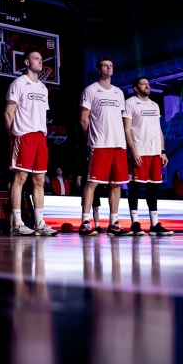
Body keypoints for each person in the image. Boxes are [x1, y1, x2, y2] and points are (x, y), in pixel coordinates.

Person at [4, 50, 58, 236]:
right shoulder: (18, 83)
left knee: (40, 180)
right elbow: (8, 113)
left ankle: (39, 223)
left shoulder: (43, 88)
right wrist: (14, 136)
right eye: (36, 58)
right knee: (20, 178)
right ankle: (17, 223)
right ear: (26, 62)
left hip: (40, 137)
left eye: (41, 59)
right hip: (24, 135)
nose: (40, 61)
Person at [79, 56, 129, 236]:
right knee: (92, 182)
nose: (108, 68)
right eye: (105, 66)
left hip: (119, 145)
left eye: (110, 65)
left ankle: (113, 223)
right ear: (98, 70)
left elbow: (120, 120)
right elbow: (83, 120)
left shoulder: (119, 93)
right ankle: (85, 222)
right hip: (100, 144)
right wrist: (93, 138)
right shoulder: (90, 90)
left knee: (116, 184)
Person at [123, 77, 173, 235]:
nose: (147, 86)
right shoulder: (130, 103)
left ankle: (155, 224)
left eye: (148, 84)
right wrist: (133, 151)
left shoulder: (154, 105)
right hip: (140, 150)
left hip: (155, 152)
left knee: (154, 187)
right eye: (143, 84)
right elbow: (127, 130)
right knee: (136, 186)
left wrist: (162, 151)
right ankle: (135, 223)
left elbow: (159, 130)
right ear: (135, 88)